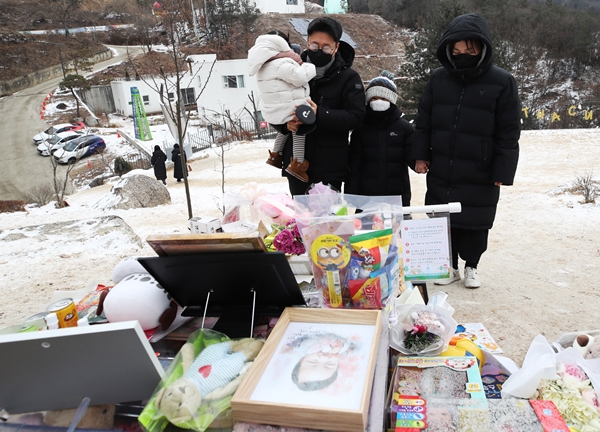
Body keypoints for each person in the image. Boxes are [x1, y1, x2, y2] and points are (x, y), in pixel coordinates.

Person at [412, 13, 520, 289]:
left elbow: (508, 131)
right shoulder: (438, 79)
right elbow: (423, 121)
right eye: (456, 51)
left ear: (482, 49)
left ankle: (472, 266)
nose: (461, 56)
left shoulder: (502, 81)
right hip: (443, 164)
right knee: (441, 218)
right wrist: (421, 155)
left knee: (475, 220)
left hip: (480, 167)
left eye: (468, 51)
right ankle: (448, 266)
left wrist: (502, 170)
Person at [274, 16, 366, 196]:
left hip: (330, 166)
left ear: (336, 47)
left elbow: (355, 117)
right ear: (307, 42)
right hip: (295, 163)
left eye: (326, 47)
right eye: (315, 45)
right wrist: (285, 125)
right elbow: (274, 108)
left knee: (329, 222)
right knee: (301, 219)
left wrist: (320, 114)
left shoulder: (348, 78)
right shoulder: (291, 71)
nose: (319, 51)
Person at [248, 30, 317, 182]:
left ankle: (276, 154)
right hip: (290, 107)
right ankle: (297, 163)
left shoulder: (263, 64)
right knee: (300, 130)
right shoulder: (280, 63)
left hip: (275, 110)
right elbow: (299, 77)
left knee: (286, 130)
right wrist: (310, 67)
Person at [346, 70, 415, 207]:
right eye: (374, 98)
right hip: (366, 198)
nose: (378, 101)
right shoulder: (360, 128)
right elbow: (354, 164)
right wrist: (351, 194)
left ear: (391, 100)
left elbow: (412, 158)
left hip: (396, 195)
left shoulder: (404, 128)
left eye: (383, 98)